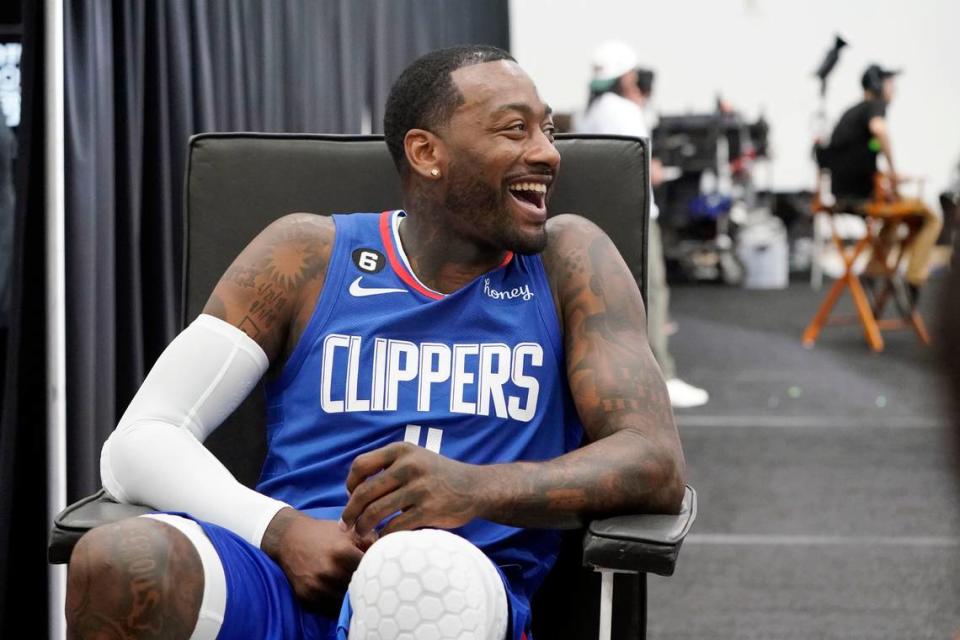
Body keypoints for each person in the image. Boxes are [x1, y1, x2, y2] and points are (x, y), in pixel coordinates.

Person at [65, 45, 686, 640]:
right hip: (288, 576)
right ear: (426, 152)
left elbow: (653, 462)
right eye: (514, 130)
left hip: (460, 585)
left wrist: (474, 488)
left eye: (547, 130)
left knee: (419, 576)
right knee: (123, 559)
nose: (548, 153)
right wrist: (281, 531)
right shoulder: (306, 255)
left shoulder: (569, 259)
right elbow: (138, 443)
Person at [575, 41, 708, 409]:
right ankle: (662, 378)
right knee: (651, 296)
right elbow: (643, 166)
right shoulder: (623, 111)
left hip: (607, 219)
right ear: (628, 77)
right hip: (637, 218)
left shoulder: (595, 110)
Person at [823, 63, 943, 305]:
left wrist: (889, 176)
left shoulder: (851, 112)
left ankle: (874, 270)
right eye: (890, 84)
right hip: (862, 197)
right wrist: (894, 170)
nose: (894, 90)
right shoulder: (874, 107)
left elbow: (855, 157)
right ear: (878, 86)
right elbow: (879, 130)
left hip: (843, 195)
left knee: (894, 216)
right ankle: (914, 278)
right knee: (931, 217)